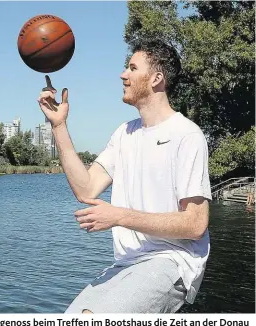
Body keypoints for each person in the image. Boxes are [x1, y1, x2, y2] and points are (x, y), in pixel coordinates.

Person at [37, 39, 211, 313]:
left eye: (132, 67)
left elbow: (195, 223)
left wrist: (119, 216)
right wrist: (59, 126)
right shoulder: (124, 134)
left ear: (156, 78)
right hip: (126, 263)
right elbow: (87, 189)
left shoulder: (186, 135)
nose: (123, 74)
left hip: (171, 260)